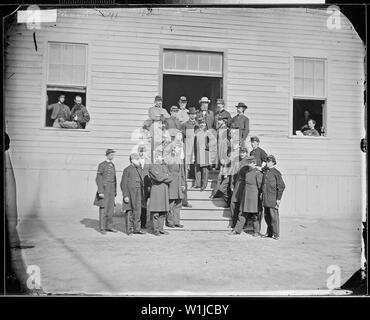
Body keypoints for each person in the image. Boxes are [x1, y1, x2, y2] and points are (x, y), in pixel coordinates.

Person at [229, 156, 263, 236]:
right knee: (242, 213)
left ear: (254, 163)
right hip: (246, 195)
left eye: (250, 163)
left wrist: (260, 196)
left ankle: (256, 231)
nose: (249, 164)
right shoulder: (246, 172)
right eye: (248, 162)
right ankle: (237, 230)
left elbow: (260, 187)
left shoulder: (258, 173)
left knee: (255, 214)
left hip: (254, 196)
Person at [93, 149, 119, 234]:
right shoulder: (102, 165)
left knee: (111, 209)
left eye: (113, 155)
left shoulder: (112, 165)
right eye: (111, 155)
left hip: (111, 189)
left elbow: (114, 179)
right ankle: (102, 228)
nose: (112, 156)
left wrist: (115, 191)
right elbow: (98, 178)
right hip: (104, 189)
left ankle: (109, 226)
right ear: (107, 155)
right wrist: (100, 191)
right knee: (103, 208)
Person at [121, 153, 147, 235]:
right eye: (137, 159)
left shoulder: (138, 169)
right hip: (130, 193)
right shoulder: (127, 169)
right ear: (132, 160)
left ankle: (137, 229)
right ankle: (129, 229)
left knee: (138, 211)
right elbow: (123, 183)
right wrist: (125, 195)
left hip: (138, 193)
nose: (138, 161)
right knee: (130, 211)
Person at [261, 155, 286, 240]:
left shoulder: (276, 173)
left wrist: (278, 199)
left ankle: (276, 234)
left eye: (269, 161)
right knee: (266, 216)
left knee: (274, 217)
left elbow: (281, 186)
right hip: (265, 197)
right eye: (266, 161)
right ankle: (269, 233)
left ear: (273, 162)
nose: (267, 163)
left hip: (272, 198)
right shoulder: (265, 172)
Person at [148, 152, 173, 236]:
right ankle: (156, 230)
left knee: (163, 212)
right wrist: (165, 176)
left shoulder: (164, 166)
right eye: (159, 157)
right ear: (155, 158)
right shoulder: (152, 166)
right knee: (156, 212)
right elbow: (157, 178)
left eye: (161, 157)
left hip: (164, 191)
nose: (161, 158)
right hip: (156, 191)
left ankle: (161, 229)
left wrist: (163, 176)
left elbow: (171, 178)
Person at [210, 116, 232, 205]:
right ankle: (218, 193)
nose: (218, 121)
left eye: (220, 120)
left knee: (222, 177)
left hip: (227, 158)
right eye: (218, 120)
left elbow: (229, 146)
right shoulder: (219, 130)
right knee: (221, 177)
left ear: (224, 121)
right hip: (222, 157)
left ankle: (218, 194)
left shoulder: (227, 131)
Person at [181, 106, 198, 206]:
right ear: (189, 115)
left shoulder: (198, 124)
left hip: (196, 148)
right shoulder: (185, 125)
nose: (193, 115)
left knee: (196, 164)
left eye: (194, 114)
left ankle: (196, 182)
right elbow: (182, 138)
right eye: (191, 114)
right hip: (187, 147)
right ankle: (186, 179)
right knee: (186, 166)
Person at [166, 146, 186, 228]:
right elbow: (165, 171)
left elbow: (182, 173)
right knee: (171, 203)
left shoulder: (179, 160)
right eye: (173, 149)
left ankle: (177, 221)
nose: (174, 151)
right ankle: (170, 221)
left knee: (178, 203)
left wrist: (183, 184)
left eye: (175, 149)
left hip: (179, 183)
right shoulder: (167, 160)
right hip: (171, 183)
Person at [229, 146, 249, 228]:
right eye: (241, 152)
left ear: (246, 153)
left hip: (244, 185)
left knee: (243, 204)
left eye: (243, 152)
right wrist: (232, 184)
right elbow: (233, 174)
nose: (242, 154)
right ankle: (234, 222)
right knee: (233, 203)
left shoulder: (248, 162)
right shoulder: (236, 161)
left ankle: (243, 223)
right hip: (237, 184)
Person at [193, 118, 211, 191]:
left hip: (205, 152)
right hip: (198, 153)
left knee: (205, 170)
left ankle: (204, 185)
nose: (203, 125)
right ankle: (197, 184)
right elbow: (195, 145)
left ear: (206, 125)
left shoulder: (208, 133)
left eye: (204, 124)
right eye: (201, 124)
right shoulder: (197, 134)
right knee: (197, 169)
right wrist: (194, 155)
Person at [138, 145, 151, 229]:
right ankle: (136, 222)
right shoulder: (136, 162)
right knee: (138, 204)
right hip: (138, 186)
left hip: (146, 186)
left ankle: (143, 223)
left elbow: (150, 174)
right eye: (140, 151)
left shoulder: (148, 162)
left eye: (143, 151)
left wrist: (149, 186)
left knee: (144, 205)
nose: (142, 153)